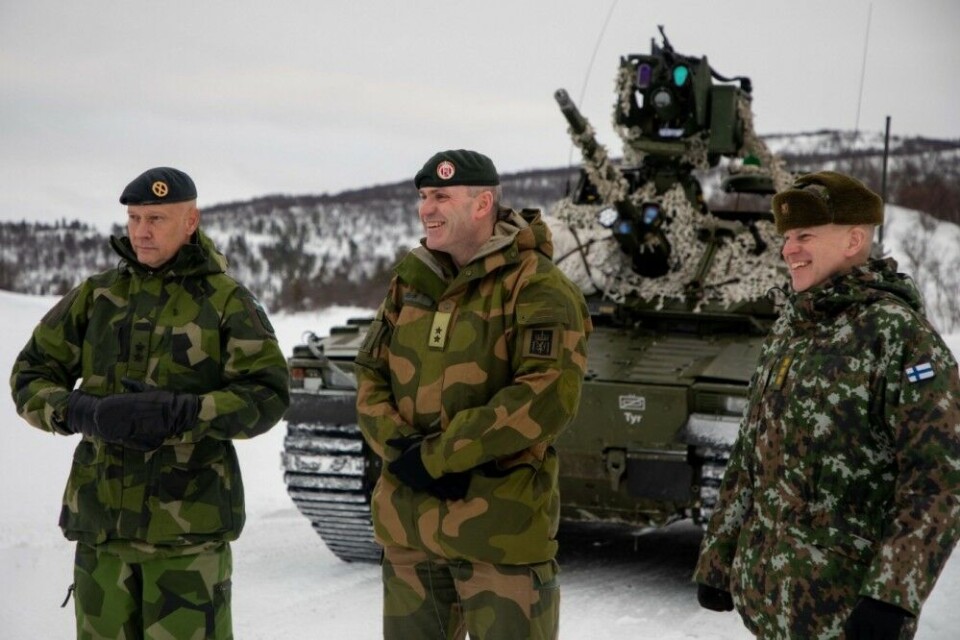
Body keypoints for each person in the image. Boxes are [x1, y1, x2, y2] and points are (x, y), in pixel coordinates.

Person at [10, 166, 290, 639]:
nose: (141, 230)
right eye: (135, 217)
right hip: (102, 528)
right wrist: (80, 411)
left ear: (191, 222)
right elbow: (30, 375)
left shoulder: (226, 301)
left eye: (156, 218)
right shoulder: (98, 295)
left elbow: (266, 394)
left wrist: (184, 412)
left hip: (187, 533)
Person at [693, 170, 960, 639]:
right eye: (788, 237)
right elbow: (749, 453)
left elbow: (938, 481)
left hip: (848, 616)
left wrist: (890, 595)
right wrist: (719, 555)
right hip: (771, 608)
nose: (788, 249)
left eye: (805, 236)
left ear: (854, 239)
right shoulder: (791, 330)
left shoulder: (899, 338)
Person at [354, 149, 592, 640]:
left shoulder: (538, 287)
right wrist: (400, 449)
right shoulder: (411, 281)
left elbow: (545, 396)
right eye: (424, 196)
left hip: (498, 538)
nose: (427, 208)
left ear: (483, 204)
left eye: (442, 196)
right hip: (410, 533)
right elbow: (369, 373)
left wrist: (440, 457)